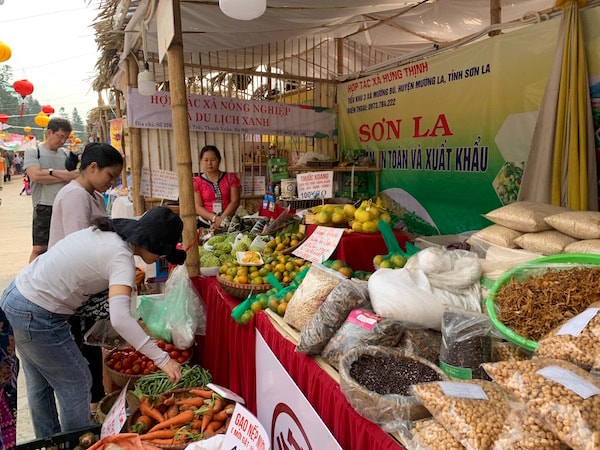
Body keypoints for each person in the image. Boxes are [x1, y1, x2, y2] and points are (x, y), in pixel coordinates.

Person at [0, 206, 186, 439]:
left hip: (17, 298)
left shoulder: (109, 236)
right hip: (38, 313)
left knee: (41, 385)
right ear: (153, 244)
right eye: (163, 252)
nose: (160, 258)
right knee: (77, 382)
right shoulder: (121, 257)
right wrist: (163, 360)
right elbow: (120, 319)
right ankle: (77, 442)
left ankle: (49, 442)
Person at [48, 142, 124, 418]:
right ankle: (90, 411)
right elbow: (79, 247)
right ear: (92, 167)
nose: (111, 182)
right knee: (84, 352)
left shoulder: (90, 194)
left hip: (82, 289)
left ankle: (94, 405)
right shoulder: (75, 197)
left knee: (90, 349)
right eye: (110, 175)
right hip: (71, 289)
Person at [23, 118, 80, 262]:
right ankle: (31, 278)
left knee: (62, 246)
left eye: (66, 138)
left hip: (64, 204)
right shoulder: (34, 152)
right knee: (39, 248)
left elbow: (75, 177)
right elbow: (35, 176)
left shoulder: (65, 155)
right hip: (44, 205)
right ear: (49, 132)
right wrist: (65, 175)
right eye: (60, 136)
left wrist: (48, 173)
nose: (62, 141)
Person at [193, 145, 241, 228]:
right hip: (205, 223)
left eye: (213, 159)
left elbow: (235, 201)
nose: (209, 163)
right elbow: (198, 207)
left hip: (228, 222)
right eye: (206, 160)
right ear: (201, 161)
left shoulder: (231, 178)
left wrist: (221, 220)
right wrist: (214, 218)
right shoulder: (197, 181)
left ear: (219, 160)